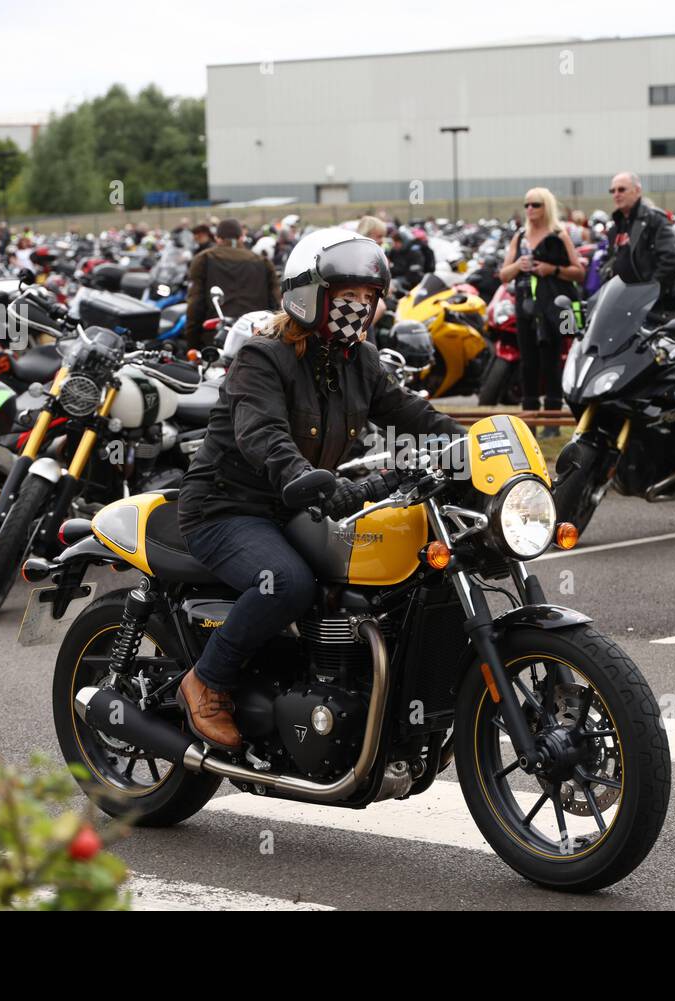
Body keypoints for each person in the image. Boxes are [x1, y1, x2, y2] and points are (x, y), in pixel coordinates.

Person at [174, 229, 464, 748]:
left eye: (367, 298)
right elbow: (263, 434)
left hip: (295, 502)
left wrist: (476, 448)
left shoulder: (361, 363)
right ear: (309, 294)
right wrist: (302, 478)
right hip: (227, 505)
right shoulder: (264, 356)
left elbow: (412, 415)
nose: (358, 307)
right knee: (285, 583)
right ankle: (206, 680)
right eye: (346, 296)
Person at [498, 187, 584, 421]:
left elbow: (579, 273)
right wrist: (518, 266)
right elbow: (504, 275)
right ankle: (529, 417)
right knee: (527, 362)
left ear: (546, 207)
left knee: (551, 361)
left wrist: (552, 270)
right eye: (526, 205)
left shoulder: (559, 234)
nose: (530, 209)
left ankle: (553, 418)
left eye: (535, 204)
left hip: (550, 305)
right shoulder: (520, 236)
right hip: (524, 304)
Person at [184, 218, 279, 351]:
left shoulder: (203, 259)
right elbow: (276, 304)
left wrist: (192, 345)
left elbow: (195, 305)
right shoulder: (263, 262)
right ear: (241, 237)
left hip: (216, 339)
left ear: (217, 238)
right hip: (257, 340)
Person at [601, 172, 675, 320]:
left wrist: (648, 293)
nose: (616, 194)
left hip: (655, 309)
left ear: (637, 191)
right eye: (612, 191)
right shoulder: (616, 227)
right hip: (623, 307)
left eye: (621, 189)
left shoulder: (654, 220)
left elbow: (673, 258)